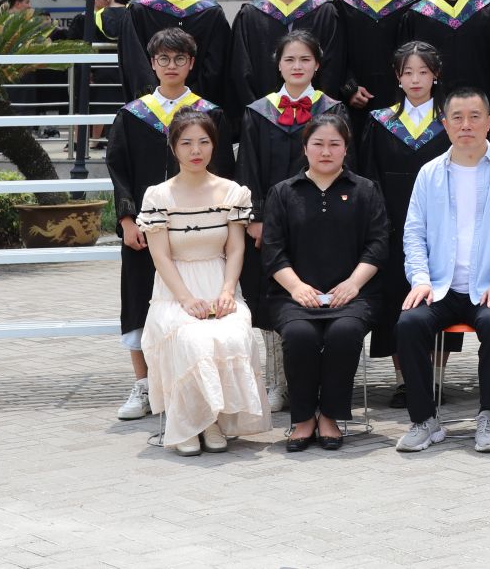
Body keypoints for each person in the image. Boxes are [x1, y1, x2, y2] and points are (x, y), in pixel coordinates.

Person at [394, 87, 490, 455]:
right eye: (457, 117)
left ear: (489, 122)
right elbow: (414, 233)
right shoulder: (430, 173)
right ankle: (424, 420)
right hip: (440, 287)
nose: (465, 125)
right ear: (445, 124)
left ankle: (488, 416)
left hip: (488, 288)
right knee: (408, 324)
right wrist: (420, 279)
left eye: (474, 117)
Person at [108, 28, 230, 423]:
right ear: (152, 63)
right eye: (163, 59)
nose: (171, 66)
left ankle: (199, 384)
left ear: (191, 63)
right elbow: (119, 170)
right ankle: (144, 384)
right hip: (147, 230)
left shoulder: (208, 114)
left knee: (199, 303)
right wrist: (127, 219)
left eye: (179, 59)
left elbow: (224, 170)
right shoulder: (133, 115)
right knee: (139, 300)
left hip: (199, 230)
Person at [137, 106, 268, 454]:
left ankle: (213, 422)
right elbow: (160, 256)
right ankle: (191, 425)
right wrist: (185, 299)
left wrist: (227, 292)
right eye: (186, 143)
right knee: (192, 340)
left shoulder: (232, 192)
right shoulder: (158, 196)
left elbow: (236, 248)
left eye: (203, 142)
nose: (196, 151)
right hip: (174, 290)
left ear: (214, 145)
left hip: (219, 281)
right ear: (173, 147)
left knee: (232, 335)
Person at [262, 110, 389, 451]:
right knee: (299, 335)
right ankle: (304, 418)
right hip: (293, 296)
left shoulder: (365, 190)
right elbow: (273, 250)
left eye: (335, 144)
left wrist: (353, 284)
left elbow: (378, 244)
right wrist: (296, 287)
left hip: (353, 295)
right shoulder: (283, 193)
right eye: (318, 144)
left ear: (346, 148)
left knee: (344, 333)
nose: (326, 151)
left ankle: (331, 416)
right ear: (305, 148)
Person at [237, 30, 344, 412]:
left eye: (305, 59)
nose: (297, 66)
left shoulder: (333, 110)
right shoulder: (258, 112)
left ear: (317, 64)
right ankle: (276, 382)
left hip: (319, 222)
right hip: (271, 223)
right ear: (278, 65)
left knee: (320, 292)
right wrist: (256, 217)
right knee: (272, 298)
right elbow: (248, 166)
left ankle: (323, 381)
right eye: (289, 59)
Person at [354, 40, 454, 404]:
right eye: (407, 72)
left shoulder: (450, 120)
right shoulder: (381, 121)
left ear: (435, 75)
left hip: (444, 220)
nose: (415, 79)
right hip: (393, 220)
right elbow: (368, 174)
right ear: (397, 77)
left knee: (443, 291)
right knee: (399, 296)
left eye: (423, 72)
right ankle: (405, 379)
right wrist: (378, 218)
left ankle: (436, 378)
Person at [117, 0, 235, 117]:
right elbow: (136, 65)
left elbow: (216, 68)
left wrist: (191, 103)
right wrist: (158, 104)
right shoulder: (139, 11)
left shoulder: (211, 13)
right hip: (152, 113)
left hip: (199, 114)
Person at [321, 0, 421, 139]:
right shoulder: (344, 5)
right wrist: (349, 88)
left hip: (404, 101)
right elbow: (337, 55)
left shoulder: (414, 3)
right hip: (358, 105)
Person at [230, 0, 337, 112]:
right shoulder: (250, 15)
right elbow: (240, 71)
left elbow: (333, 69)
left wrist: (321, 112)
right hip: (262, 116)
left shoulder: (325, 12)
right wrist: (256, 114)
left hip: (316, 117)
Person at [72, 0, 132, 149]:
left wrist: (90, 70)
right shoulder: (133, 13)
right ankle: (123, 143)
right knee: (126, 107)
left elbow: (89, 45)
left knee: (97, 105)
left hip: (102, 69)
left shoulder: (97, 16)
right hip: (127, 67)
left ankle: (90, 142)